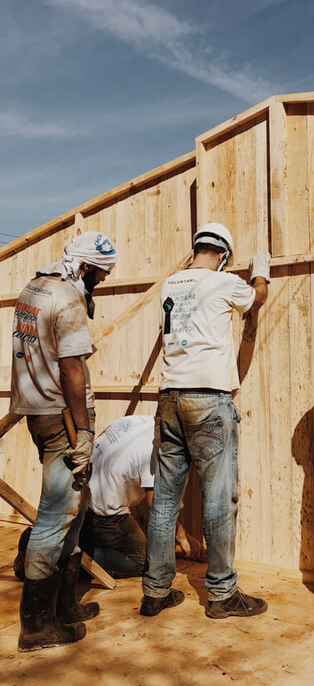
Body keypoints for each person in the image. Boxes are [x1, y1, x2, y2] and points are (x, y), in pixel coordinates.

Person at [141, 222, 270, 619]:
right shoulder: (225, 282)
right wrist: (261, 269)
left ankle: (155, 591)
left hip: (169, 399)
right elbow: (257, 298)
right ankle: (221, 593)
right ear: (224, 256)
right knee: (217, 497)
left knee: (165, 500)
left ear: (195, 248)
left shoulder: (169, 285)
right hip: (208, 401)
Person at [10, 231, 117, 652]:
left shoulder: (33, 288)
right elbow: (72, 369)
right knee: (56, 515)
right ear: (86, 267)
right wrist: (84, 430)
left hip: (37, 411)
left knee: (75, 508)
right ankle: (36, 627)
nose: (102, 283)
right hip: (63, 418)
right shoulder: (69, 299)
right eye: (101, 276)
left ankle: (65, 606)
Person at [79, 414, 206, 577]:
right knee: (141, 563)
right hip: (102, 511)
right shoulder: (161, 450)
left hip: (81, 493)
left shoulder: (146, 422)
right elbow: (157, 503)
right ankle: (74, 558)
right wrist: (183, 537)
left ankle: (75, 543)